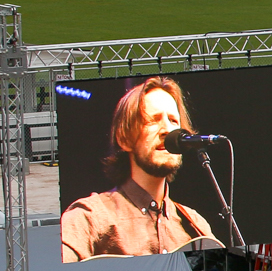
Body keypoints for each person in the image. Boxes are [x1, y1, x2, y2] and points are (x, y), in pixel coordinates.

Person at [60, 75, 222, 261]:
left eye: (173, 121)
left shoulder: (196, 226)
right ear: (125, 139)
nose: (167, 130)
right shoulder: (88, 217)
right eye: (153, 121)